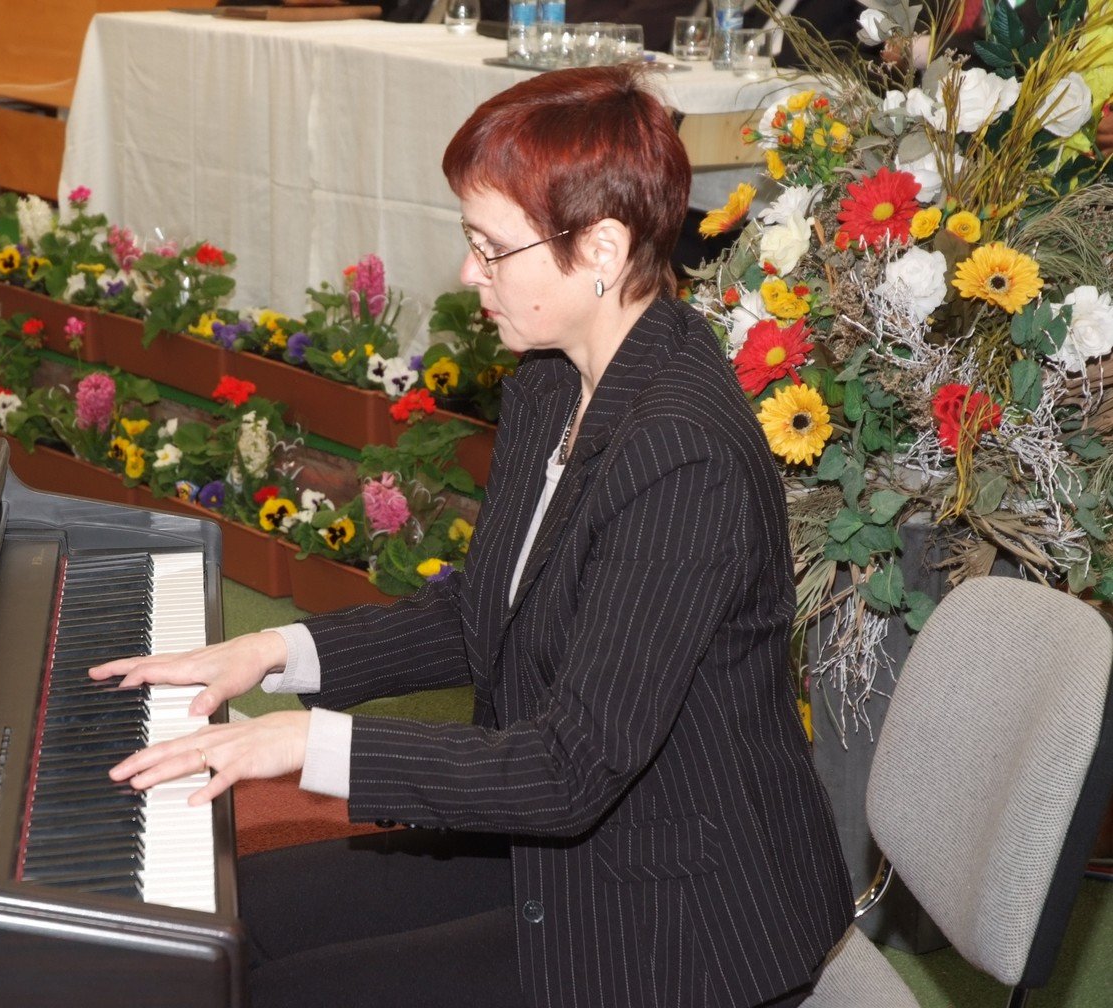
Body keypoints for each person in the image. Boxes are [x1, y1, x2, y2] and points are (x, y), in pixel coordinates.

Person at [95, 65, 854, 1008]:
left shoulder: (681, 457)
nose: (469, 274)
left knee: (285, 991)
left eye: (492, 248)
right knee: (226, 923)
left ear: (603, 247)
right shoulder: (553, 380)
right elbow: (485, 611)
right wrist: (268, 652)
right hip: (567, 842)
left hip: (678, 905)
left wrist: (307, 744)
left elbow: (571, 768)